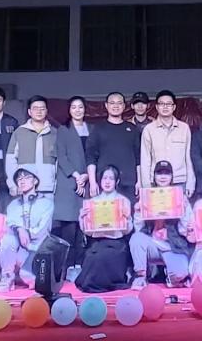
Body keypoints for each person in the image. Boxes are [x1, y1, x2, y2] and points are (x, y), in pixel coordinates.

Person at [130, 160, 193, 289]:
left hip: (172, 247)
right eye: (159, 173)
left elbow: (184, 230)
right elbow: (138, 229)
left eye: (166, 173)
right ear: (154, 176)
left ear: (171, 177)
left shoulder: (179, 196)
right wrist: (138, 212)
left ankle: (170, 274)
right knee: (136, 239)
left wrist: (184, 210)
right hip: (152, 244)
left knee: (180, 275)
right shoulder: (147, 196)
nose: (163, 177)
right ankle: (141, 277)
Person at [76, 165, 134, 292]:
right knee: (92, 257)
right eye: (105, 178)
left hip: (116, 244)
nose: (107, 182)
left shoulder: (123, 201)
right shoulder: (92, 202)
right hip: (97, 242)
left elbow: (127, 231)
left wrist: (128, 218)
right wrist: (82, 218)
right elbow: (87, 232)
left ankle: (99, 284)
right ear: (100, 181)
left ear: (117, 181)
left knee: (102, 257)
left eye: (111, 179)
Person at [0, 168, 55, 292]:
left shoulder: (47, 203)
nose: (22, 181)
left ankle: (24, 272)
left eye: (27, 178)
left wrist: (26, 232)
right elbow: (11, 224)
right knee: (7, 239)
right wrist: (20, 229)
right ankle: (7, 276)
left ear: (35, 181)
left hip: (37, 249)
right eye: (19, 179)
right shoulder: (13, 205)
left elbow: (42, 231)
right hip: (19, 248)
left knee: (30, 279)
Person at [54, 96, 90, 282]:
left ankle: (81, 265)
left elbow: (94, 154)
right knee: (69, 227)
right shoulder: (63, 130)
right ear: (69, 110)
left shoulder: (91, 129)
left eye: (80, 107)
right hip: (69, 182)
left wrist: (86, 176)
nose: (77, 110)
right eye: (74, 107)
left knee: (84, 227)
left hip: (88, 181)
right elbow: (61, 156)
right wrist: (77, 176)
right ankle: (68, 267)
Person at [86, 92, 142, 202]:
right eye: (112, 103)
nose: (116, 106)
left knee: (128, 212)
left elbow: (138, 158)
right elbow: (91, 157)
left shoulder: (132, 129)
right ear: (106, 105)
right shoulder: (98, 129)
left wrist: (139, 181)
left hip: (128, 183)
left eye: (119, 103)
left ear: (124, 106)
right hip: (105, 184)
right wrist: (92, 182)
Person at [140, 91, 195, 197]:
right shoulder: (149, 129)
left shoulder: (184, 128)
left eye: (168, 104)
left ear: (174, 107)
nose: (165, 107)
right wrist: (146, 186)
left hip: (180, 181)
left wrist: (190, 182)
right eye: (161, 104)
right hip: (156, 183)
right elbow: (145, 159)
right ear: (156, 107)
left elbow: (189, 157)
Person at [4, 95, 58, 196]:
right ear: (29, 112)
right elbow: (10, 160)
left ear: (46, 111)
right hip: (24, 188)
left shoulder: (55, 133)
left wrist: (56, 186)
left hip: (48, 188)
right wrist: (13, 184)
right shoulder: (19, 132)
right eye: (35, 109)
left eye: (42, 109)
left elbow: (58, 162)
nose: (39, 111)